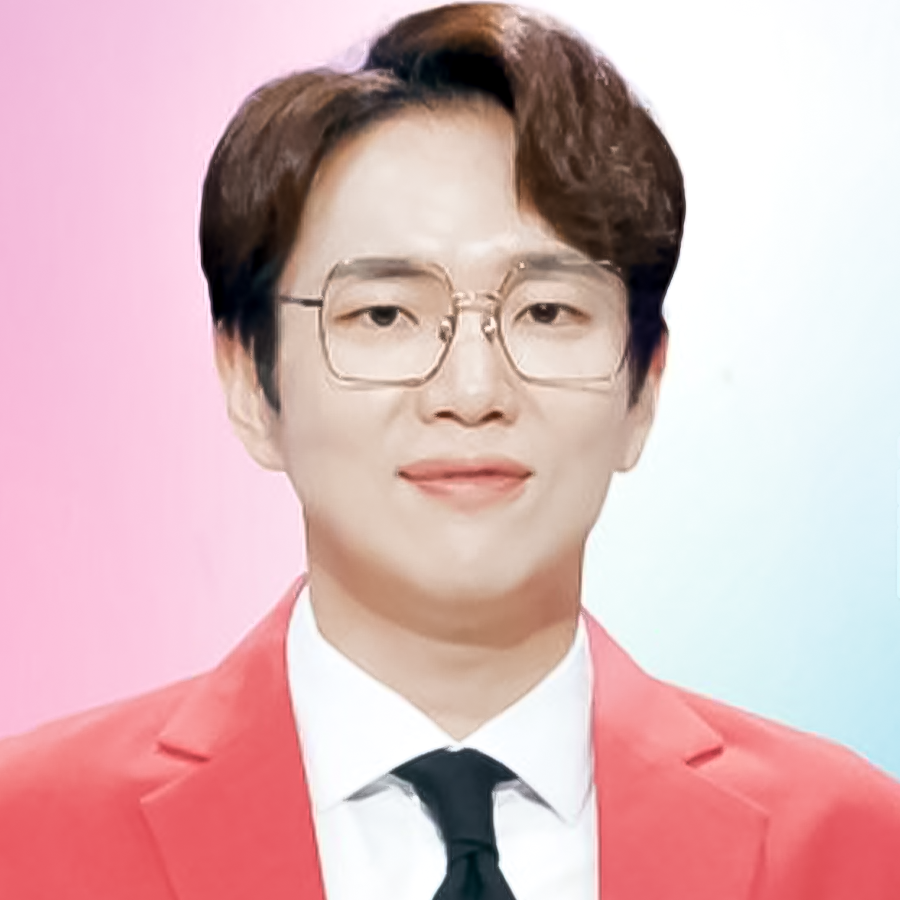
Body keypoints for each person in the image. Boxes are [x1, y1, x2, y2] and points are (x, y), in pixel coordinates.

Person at [1, 3, 899, 898]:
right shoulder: (27, 833)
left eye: (547, 311)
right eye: (384, 314)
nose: (471, 392)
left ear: (643, 387)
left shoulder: (854, 846)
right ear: (249, 382)